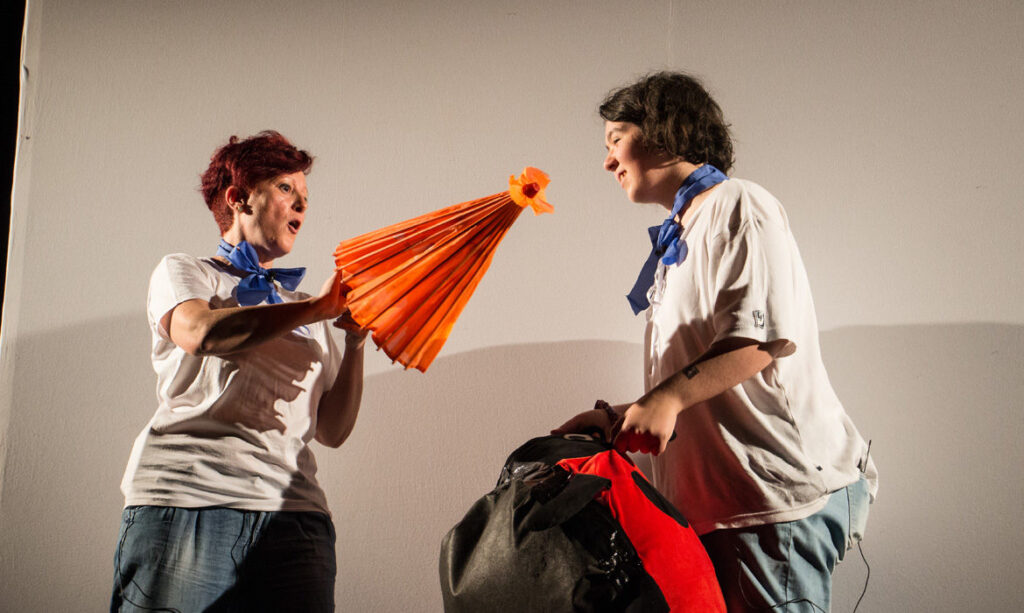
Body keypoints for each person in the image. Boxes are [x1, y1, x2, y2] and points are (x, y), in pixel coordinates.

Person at [554, 72, 878, 612]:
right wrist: (623, 415)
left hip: (770, 503)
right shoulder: (686, 231)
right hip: (724, 511)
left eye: (616, 139)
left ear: (664, 131)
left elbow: (759, 343)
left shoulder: (738, 203)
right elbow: (706, 379)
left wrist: (666, 399)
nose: (608, 162)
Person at [110, 131, 367, 612]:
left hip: (295, 516)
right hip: (184, 501)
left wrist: (355, 340)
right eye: (286, 189)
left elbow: (332, 430)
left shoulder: (306, 307)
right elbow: (200, 332)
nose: (302, 205)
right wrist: (315, 308)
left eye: (306, 197)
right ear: (238, 198)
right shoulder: (186, 272)